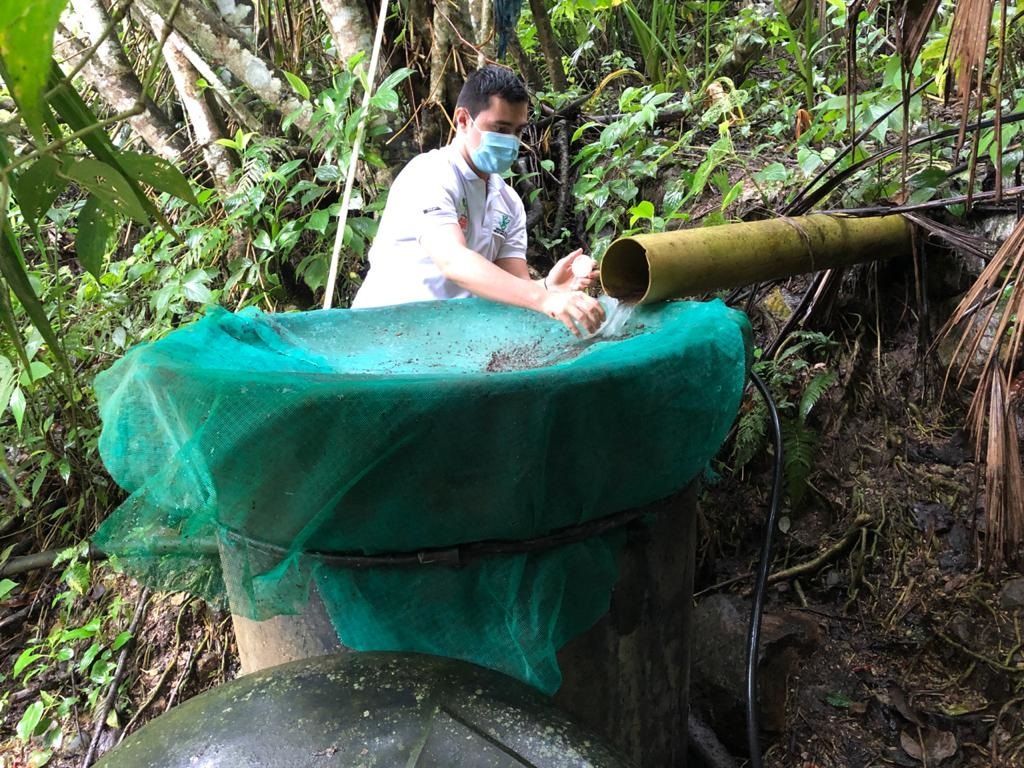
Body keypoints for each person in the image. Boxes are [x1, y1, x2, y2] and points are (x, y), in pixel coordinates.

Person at [351, 65, 605, 336]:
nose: (510, 141)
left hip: (445, 342)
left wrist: (548, 288)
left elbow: (515, 285)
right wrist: (544, 300)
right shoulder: (429, 174)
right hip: (382, 334)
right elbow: (454, 262)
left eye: (517, 131)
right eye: (500, 128)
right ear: (462, 120)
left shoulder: (509, 203)